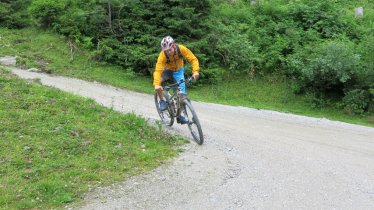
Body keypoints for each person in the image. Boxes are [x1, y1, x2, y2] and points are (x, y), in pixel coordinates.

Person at [153, 36, 200, 124]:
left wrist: (195, 71)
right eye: (166, 51)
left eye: (170, 50)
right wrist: (157, 84)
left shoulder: (181, 49)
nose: (169, 52)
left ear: (173, 45)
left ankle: (179, 116)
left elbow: (193, 59)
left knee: (182, 95)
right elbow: (158, 70)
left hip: (178, 72)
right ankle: (162, 101)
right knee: (157, 84)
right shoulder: (163, 55)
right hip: (167, 71)